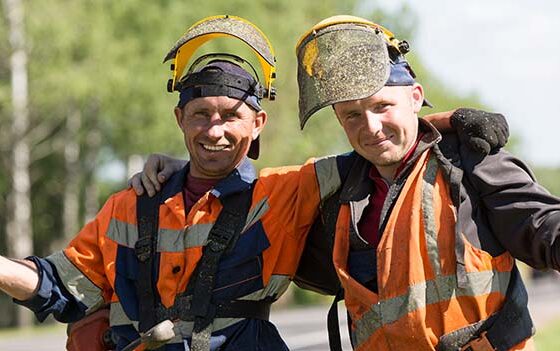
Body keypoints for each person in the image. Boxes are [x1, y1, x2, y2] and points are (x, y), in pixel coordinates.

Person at [0, 15, 507, 351]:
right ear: (180, 119)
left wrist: (446, 121)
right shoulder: (130, 205)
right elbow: (61, 288)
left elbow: (378, 140)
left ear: (258, 125)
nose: (215, 130)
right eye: (201, 115)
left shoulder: (286, 190)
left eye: (231, 115)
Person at [133, 15, 560, 351]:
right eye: (352, 115)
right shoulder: (338, 185)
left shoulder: (468, 163)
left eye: (382, 106)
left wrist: (448, 126)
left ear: (415, 97)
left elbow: (544, 226)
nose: (370, 126)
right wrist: (189, 169)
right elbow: (250, 191)